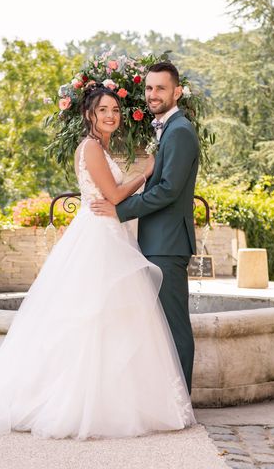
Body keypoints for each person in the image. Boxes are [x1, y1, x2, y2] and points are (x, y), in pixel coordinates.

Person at [0, 85, 195, 439]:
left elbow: (111, 196)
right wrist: (146, 172)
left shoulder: (102, 147)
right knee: (91, 317)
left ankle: (112, 399)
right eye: (104, 110)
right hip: (98, 237)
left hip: (109, 233)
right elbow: (113, 194)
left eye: (115, 110)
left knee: (111, 318)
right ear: (89, 115)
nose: (111, 116)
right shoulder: (91, 147)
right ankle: (76, 402)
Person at [91, 62, 200, 393]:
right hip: (157, 241)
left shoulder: (180, 131)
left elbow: (167, 190)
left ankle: (181, 401)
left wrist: (119, 211)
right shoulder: (168, 129)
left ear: (176, 92)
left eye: (161, 88)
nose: (153, 94)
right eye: (149, 88)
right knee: (160, 327)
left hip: (167, 244)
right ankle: (166, 398)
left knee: (174, 326)